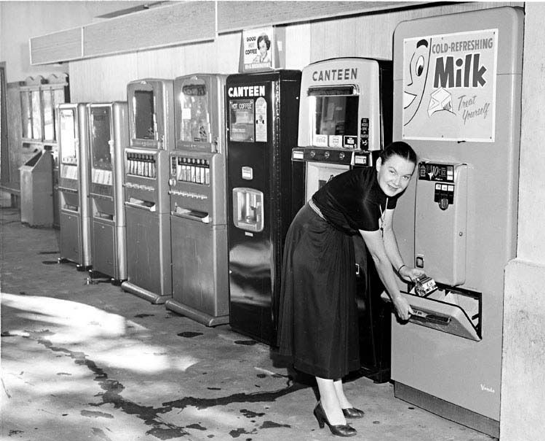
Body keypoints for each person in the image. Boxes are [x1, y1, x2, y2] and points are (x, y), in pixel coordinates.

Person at [276, 141, 424, 437]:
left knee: (339, 314)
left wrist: (403, 269)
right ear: (379, 165)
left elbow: (387, 231)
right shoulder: (368, 195)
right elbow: (378, 256)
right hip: (312, 235)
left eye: (405, 177)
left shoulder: (387, 190)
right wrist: (397, 297)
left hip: (336, 237)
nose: (397, 181)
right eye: (392, 172)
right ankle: (327, 405)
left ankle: (339, 397)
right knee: (323, 319)